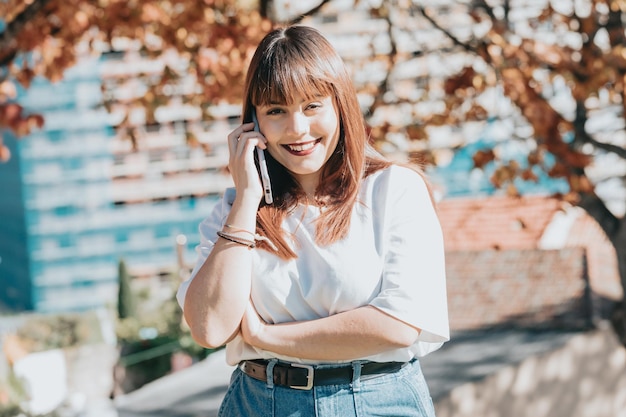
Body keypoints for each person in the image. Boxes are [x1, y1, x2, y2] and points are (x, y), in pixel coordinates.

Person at [177, 24, 449, 417]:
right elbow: (209, 328)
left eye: (312, 106)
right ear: (253, 124)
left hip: (375, 400)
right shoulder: (234, 213)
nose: (297, 128)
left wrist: (264, 335)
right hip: (257, 402)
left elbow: (398, 324)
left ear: (339, 105)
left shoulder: (394, 189)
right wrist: (247, 200)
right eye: (276, 111)